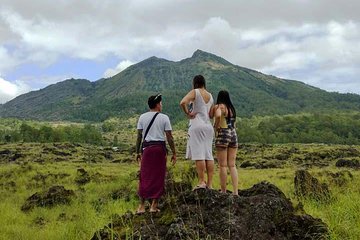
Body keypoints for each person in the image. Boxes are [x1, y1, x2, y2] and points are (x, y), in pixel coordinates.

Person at [135, 93, 176, 214]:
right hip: (159, 150)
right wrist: (174, 152)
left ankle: (141, 206)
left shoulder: (142, 117)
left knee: (144, 176)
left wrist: (137, 152)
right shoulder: (164, 118)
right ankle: (154, 205)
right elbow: (169, 137)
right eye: (161, 103)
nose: (161, 105)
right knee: (159, 176)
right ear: (158, 105)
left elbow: (139, 136)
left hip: (146, 150)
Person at [180, 75, 215, 189]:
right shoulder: (210, 96)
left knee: (199, 154)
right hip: (208, 127)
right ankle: (210, 184)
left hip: (197, 125)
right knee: (208, 155)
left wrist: (188, 113)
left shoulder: (195, 92)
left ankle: (201, 181)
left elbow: (182, 102)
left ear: (195, 83)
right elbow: (210, 114)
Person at [213, 90, 238, 195]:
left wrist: (216, 126)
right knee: (232, 165)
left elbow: (218, 116)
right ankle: (235, 191)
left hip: (223, 133)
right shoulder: (231, 108)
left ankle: (223, 191)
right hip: (233, 133)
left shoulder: (220, 106)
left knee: (222, 165)